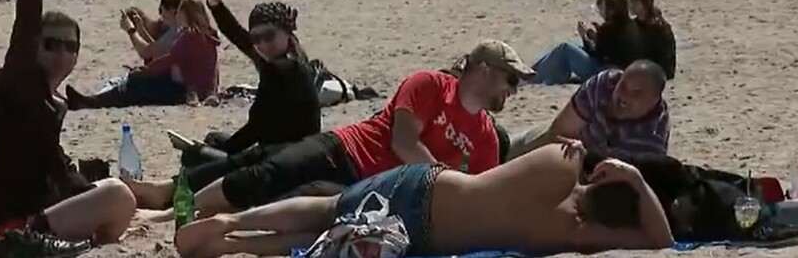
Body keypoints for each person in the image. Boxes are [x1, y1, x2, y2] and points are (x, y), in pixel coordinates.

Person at [176, 40, 533, 218]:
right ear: (484, 70)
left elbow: (479, 195)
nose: (513, 91)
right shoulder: (431, 85)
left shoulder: (486, 136)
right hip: (347, 150)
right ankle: (172, 210)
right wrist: (449, 182)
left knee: (278, 200)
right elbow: (404, 143)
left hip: (370, 190)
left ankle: (188, 206)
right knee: (265, 172)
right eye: (511, 80)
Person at [174, 145, 673, 258]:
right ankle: (235, 246)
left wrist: (625, 171)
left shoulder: (564, 160)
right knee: (329, 238)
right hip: (424, 235)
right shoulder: (578, 235)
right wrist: (638, 184)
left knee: (331, 208)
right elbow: (661, 241)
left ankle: (233, 220)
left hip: (428, 184)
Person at [0, 0, 136, 257]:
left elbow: (58, 173)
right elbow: (22, 39)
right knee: (117, 196)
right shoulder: (15, 85)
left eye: (70, 47)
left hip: (36, 214)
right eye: (51, 44)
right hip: (12, 226)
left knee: (117, 193)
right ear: (36, 47)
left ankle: (84, 244)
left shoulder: (52, 102)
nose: (61, 53)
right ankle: (19, 242)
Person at [125, 0, 323, 209]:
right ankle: (173, 186)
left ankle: (169, 190)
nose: (262, 44)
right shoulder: (287, 57)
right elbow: (238, 35)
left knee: (202, 155)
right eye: (257, 39)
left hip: (284, 160)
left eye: (269, 36)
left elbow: (256, 129)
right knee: (213, 141)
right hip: (285, 152)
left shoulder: (282, 69)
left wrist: (224, 151)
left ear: (286, 32)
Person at [66, 0, 221, 108]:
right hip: (199, 89)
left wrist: (144, 71)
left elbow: (168, 59)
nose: (177, 16)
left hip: (185, 90)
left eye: (180, 12)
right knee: (137, 83)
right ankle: (92, 100)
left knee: (136, 85)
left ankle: (91, 102)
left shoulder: (190, 36)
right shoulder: (208, 36)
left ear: (187, 15)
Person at [506, 60, 669, 162]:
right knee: (503, 151)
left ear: (654, 100)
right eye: (623, 86)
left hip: (590, 175)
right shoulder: (604, 84)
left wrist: (585, 156)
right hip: (563, 146)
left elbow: (622, 176)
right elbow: (559, 132)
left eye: (636, 93)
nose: (624, 96)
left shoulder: (652, 136)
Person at [530, 0, 645, 85]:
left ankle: (533, 76)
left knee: (565, 49)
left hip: (604, 73)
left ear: (610, 9)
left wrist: (585, 37)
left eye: (602, 8)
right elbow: (611, 49)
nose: (600, 12)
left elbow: (597, 54)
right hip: (621, 71)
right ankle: (534, 71)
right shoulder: (630, 24)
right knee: (575, 46)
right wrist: (594, 36)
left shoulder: (610, 27)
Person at [122, 0, 188, 64]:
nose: (161, 14)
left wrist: (131, 30)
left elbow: (147, 52)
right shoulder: (184, 26)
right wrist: (141, 28)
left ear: (172, 10)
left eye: (162, 9)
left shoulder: (178, 31)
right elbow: (156, 48)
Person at [629, 0, 676, 80]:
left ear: (644, 4)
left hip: (656, 72)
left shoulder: (657, 27)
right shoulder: (638, 23)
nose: (630, 6)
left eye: (634, 2)